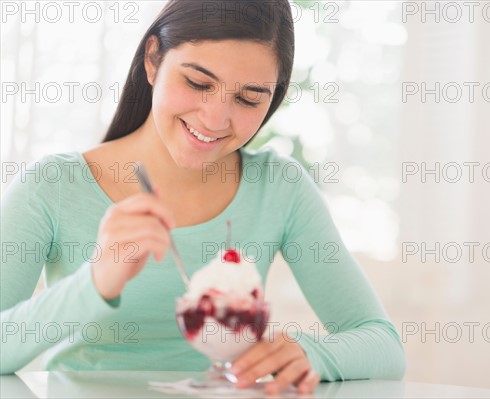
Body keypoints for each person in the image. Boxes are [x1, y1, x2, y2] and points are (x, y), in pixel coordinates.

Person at [0, 0, 406, 394]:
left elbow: (383, 345)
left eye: (248, 98)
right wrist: (93, 285)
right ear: (153, 59)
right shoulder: (52, 185)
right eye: (198, 82)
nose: (215, 119)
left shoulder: (278, 188)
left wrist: (309, 354)